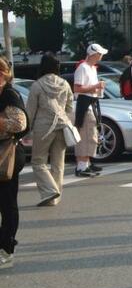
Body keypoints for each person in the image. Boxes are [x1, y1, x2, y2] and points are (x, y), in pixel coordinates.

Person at [26, 54, 74, 206]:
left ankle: (50, 190)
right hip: (63, 125)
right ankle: (54, 199)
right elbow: (70, 107)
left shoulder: (37, 85)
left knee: (38, 161)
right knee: (58, 163)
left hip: (43, 128)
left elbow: (30, 111)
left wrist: (26, 130)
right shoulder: (65, 84)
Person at [0, 57, 28, 270]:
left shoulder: (9, 94)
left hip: (7, 154)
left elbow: (20, 124)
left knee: (7, 202)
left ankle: (7, 248)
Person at [73, 44, 108, 177]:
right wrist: (95, 86)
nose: (101, 56)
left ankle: (86, 164)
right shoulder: (82, 68)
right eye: (100, 54)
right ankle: (81, 166)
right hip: (85, 104)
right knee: (86, 135)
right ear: (94, 54)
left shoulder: (92, 68)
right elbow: (77, 88)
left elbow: (86, 88)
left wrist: (97, 89)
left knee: (91, 135)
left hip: (91, 103)